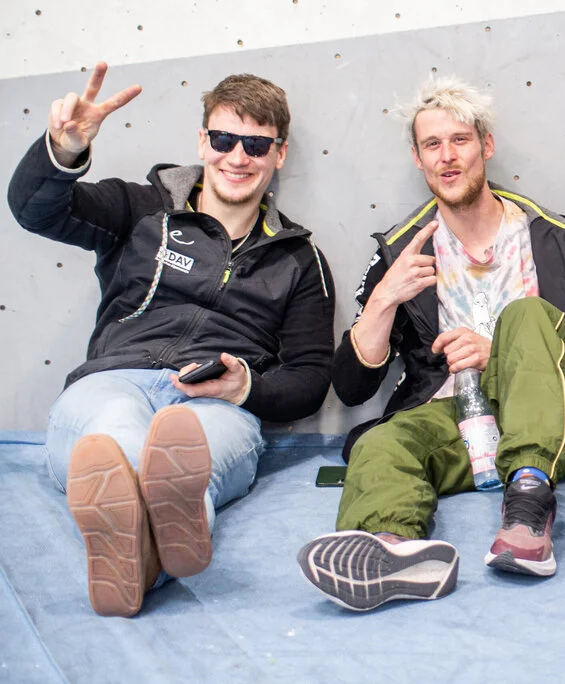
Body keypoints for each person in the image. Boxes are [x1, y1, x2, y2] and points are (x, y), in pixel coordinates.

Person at [7, 63, 335, 618]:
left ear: (279, 154)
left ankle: (131, 551)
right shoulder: (139, 209)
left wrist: (245, 388)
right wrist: (63, 151)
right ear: (203, 141)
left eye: (256, 145)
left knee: (186, 452)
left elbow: (310, 378)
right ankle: (167, 546)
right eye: (225, 139)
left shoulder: (299, 260)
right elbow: (35, 209)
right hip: (115, 380)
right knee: (113, 433)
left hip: (215, 404)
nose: (238, 157)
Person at [297, 77, 565, 610]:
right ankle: (391, 553)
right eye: (432, 145)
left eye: (460, 140)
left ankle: (529, 505)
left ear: (486, 146)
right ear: (418, 160)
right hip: (454, 422)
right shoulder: (401, 250)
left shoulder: (555, 239)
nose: (447, 157)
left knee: (528, 315)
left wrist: (504, 357)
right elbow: (351, 389)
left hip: (539, 417)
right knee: (379, 443)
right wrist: (384, 300)